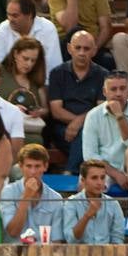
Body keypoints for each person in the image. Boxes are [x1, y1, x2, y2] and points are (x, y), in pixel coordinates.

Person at [45, 31, 105, 174]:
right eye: (77, 48)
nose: (82, 52)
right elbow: (56, 110)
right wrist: (76, 122)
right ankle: (76, 172)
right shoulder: (57, 73)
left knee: (85, 134)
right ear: (69, 48)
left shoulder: (103, 75)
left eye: (86, 49)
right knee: (85, 138)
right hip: (62, 129)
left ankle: (70, 171)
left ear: (94, 50)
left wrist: (79, 122)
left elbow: (101, 108)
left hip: (93, 128)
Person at [81, 70, 128, 194]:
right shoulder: (93, 115)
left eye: (122, 89)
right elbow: (89, 155)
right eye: (113, 89)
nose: (118, 93)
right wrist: (116, 174)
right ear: (104, 92)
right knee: (85, 178)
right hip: (104, 167)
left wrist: (120, 116)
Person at [0, 144, 61, 242]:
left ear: (45, 166)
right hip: (15, 252)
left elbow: (57, 240)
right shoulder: (9, 192)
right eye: (29, 166)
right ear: (21, 166)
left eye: (37, 166)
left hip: (44, 253)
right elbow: (13, 232)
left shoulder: (56, 198)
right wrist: (26, 197)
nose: (33, 171)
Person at [0, 0, 63, 74]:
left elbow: (53, 65)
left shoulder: (47, 28)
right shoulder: (3, 28)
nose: (10, 19)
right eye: (8, 14)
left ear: (29, 15)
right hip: (9, 83)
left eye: (15, 15)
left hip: (40, 83)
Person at [56, 159, 125, 244]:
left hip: (107, 254)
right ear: (83, 180)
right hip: (79, 255)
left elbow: (118, 239)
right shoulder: (71, 203)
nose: (99, 182)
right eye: (94, 178)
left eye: (102, 178)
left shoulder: (113, 204)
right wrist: (87, 216)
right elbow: (71, 239)